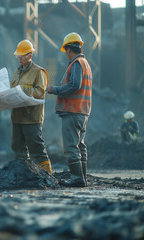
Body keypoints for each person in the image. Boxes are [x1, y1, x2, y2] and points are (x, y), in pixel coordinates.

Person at [47, 32, 92, 187]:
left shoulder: (77, 63)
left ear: (68, 49)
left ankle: (77, 178)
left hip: (73, 111)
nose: (65, 54)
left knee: (71, 147)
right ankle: (82, 178)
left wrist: (54, 89)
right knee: (80, 145)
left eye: (65, 51)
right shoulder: (85, 63)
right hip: (82, 111)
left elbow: (74, 85)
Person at [11, 39, 52, 175]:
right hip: (17, 117)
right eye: (18, 55)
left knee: (36, 148)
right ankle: (23, 175)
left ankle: (48, 175)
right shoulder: (17, 72)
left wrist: (23, 91)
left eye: (22, 55)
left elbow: (40, 92)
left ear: (30, 56)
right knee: (18, 148)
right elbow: (12, 89)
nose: (19, 58)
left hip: (32, 118)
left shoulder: (38, 72)